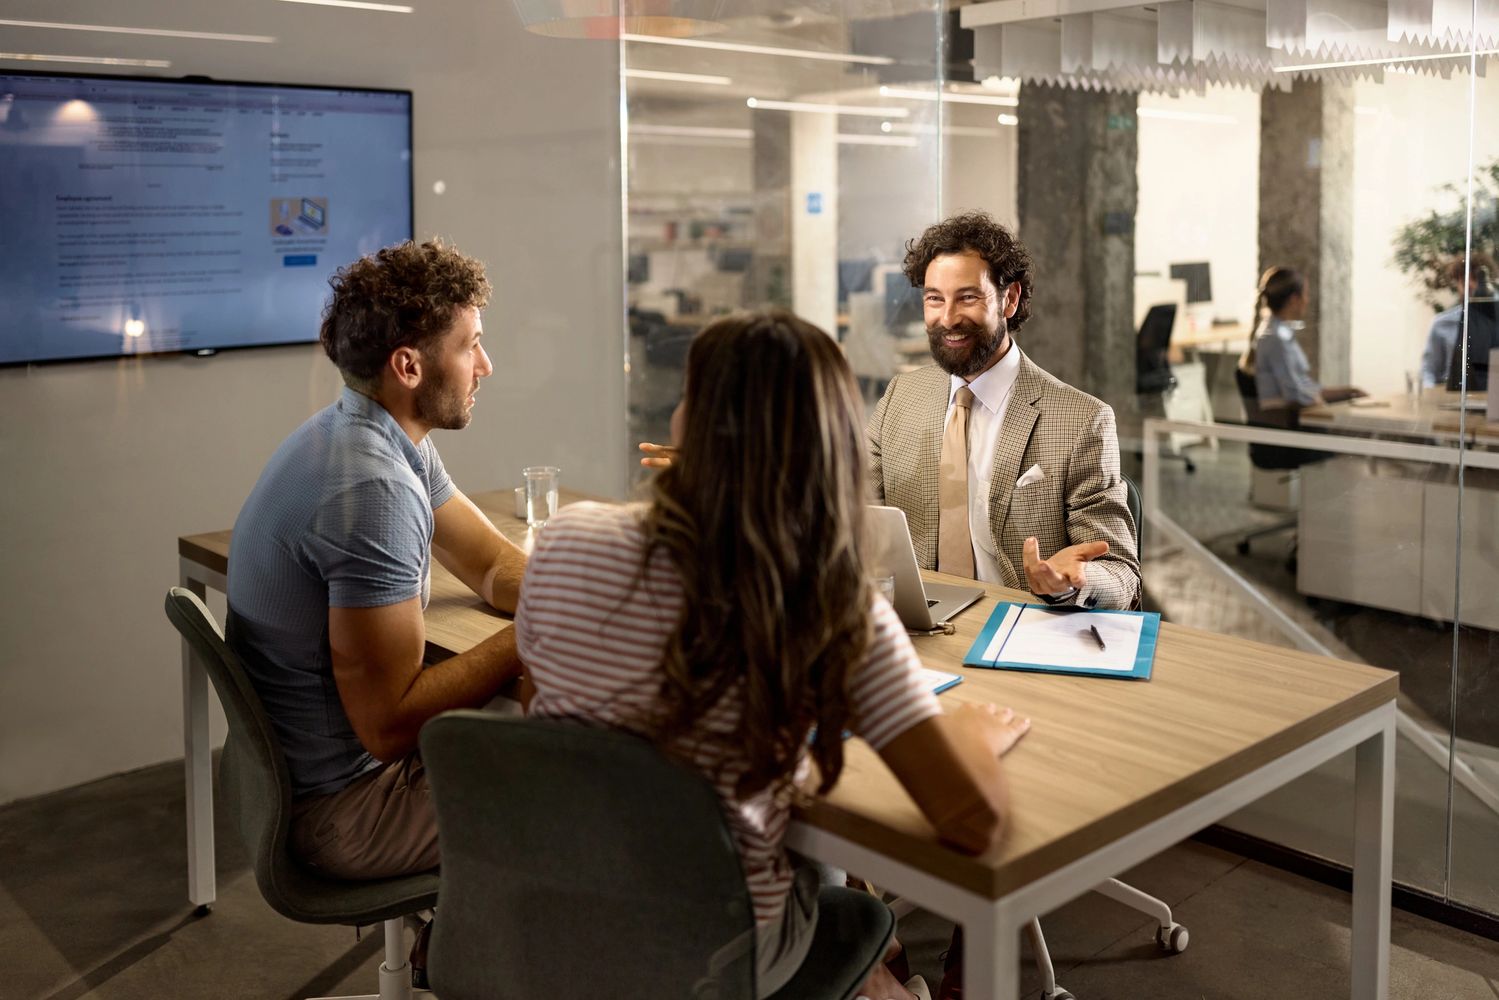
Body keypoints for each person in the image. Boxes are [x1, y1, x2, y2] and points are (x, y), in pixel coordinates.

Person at [521, 309, 1029, 999]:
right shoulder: (831, 607)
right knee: (845, 902)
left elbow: (551, 716)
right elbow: (974, 823)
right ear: (832, 446)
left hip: (560, 927)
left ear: (687, 426)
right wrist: (970, 738)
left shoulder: (563, 540)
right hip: (719, 960)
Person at [227, 238, 528, 886]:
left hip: (333, 779)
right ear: (408, 367)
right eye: (468, 344)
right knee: (601, 788)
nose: (486, 365)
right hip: (351, 811)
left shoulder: (370, 432)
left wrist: (570, 587)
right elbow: (389, 726)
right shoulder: (373, 489)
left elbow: (487, 566)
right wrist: (532, 633)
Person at [867, 211, 1141, 612]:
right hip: (918, 621)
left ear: (1009, 299)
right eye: (934, 299)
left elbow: (1121, 575)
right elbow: (851, 514)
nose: (948, 318)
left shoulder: (1082, 421)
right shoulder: (900, 396)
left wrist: (1073, 581)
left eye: (968, 297)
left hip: (1022, 625)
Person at [1243, 266, 1363, 409]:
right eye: (1305, 295)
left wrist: (1348, 392)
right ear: (1294, 300)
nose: (1307, 301)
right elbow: (1294, 394)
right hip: (1288, 419)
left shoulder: (1279, 332)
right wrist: (1323, 404)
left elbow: (1304, 387)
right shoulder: (1275, 339)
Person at [1421, 252, 1496, 388]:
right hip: (1451, 398)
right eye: (1464, 279)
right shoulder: (1441, 324)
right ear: (1457, 284)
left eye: (1475, 278)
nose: (1470, 284)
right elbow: (1429, 372)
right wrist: (1431, 398)